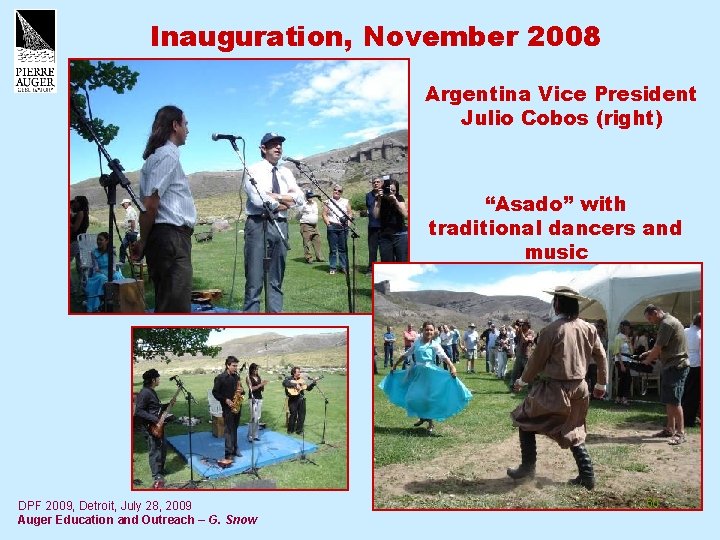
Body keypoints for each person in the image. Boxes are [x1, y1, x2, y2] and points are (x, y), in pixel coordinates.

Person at [508, 286, 608, 490]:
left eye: (554, 301)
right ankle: (587, 475)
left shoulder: (551, 330)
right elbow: (601, 355)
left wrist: (521, 381)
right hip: (581, 389)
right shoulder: (589, 328)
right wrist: (601, 383)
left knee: (524, 419)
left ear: (558, 304)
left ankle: (527, 468)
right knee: (573, 428)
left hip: (555, 389)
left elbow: (535, 361)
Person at [135, 105, 196, 313]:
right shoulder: (168, 155)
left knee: (167, 302)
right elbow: (150, 204)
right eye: (185, 124)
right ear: (175, 125)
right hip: (171, 238)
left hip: (165, 239)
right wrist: (142, 241)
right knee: (175, 307)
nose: (188, 129)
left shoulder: (154, 158)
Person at [242, 133, 303, 312]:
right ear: (263, 148)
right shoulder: (253, 170)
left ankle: (274, 319)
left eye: (280, 144)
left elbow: (300, 199)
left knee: (276, 280)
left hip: (281, 225)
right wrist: (285, 202)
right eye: (273, 144)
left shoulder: (286, 172)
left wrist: (276, 197)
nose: (278, 147)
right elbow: (258, 200)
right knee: (254, 281)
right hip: (258, 225)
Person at [379, 321, 471, 434]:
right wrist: (395, 365)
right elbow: (406, 354)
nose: (429, 332)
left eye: (431, 330)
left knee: (428, 398)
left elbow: (443, 356)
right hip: (417, 373)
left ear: (433, 332)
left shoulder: (434, 344)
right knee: (412, 397)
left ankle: (430, 423)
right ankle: (423, 417)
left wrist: (452, 367)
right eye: (427, 329)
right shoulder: (417, 343)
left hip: (429, 374)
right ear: (423, 330)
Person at [639, 304, 690, 444]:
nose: (650, 321)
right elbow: (664, 346)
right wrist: (648, 353)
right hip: (671, 365)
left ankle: (681, 433)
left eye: (650, 318)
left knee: (675, 400)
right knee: (669, 400)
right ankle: (670, 429)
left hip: (676, 366)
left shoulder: (666, 324)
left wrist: (647, 361)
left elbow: (658, 347)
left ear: (656, 312)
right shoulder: (668, 322)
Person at [134, 369, 169, 489]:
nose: (159, 380)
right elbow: (138, 411)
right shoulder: (145, 393)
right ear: (153, 380)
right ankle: (156, 474)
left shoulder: (151, 391)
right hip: (150, 427)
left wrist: (165, 407)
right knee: (154, 450)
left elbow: (154, 407)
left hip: (158, 425)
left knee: (162, 447)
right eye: (158, 378)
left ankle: (161, 470)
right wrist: (154, 419)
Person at [212, 356, 244, 462]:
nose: (236, 368)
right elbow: (215, 392)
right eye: (234, 366)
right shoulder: (220, 378)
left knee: (234, 429)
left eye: (236, 366)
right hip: (227, 408)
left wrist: (241, 390)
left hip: (237, 406)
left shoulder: (236, 377)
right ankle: (228, 453)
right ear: (227, 365)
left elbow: (241, 391)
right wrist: (225, 400)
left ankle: (235, 449)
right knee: (228, 431)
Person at [371, 179, 408, 262]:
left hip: (400, 234)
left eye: (394, 190)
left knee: (402, 261)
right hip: (385, 235)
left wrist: (395, 200)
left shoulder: (399, 197)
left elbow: (405, 214)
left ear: (397, 190)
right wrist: (379, 199)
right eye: (389, 190)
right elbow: (375, 215)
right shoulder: (379, 198)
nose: (391, 192)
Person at [323, 183, 353, 275]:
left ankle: (343, 267)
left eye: (339, 191)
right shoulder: (328, 202)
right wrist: (328, 224)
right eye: (335, 190)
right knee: (333, 249)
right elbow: (324, 214)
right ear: (333, 191)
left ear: (341, 192)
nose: (337, 192)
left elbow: (350, 213)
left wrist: (348, 223)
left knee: (343, 248)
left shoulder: (345, 201)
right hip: (332, 226)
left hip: (343, 227)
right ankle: (333, 267)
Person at [283, 367, 317, 434]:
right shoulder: (289, 378)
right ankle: (290, 430)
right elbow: (284, 383)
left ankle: (299, 430)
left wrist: (313, 384)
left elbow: (308, 388)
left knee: (302, 415)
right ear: (294, 373)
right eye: (298, 372)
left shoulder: (301, 380)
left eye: (299, 372)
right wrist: (295, 384)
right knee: (293, 415)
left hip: (301, 399)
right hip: (292, 400)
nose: (299, 373)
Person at [682, 312, 701, 428]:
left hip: (685, 363)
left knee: (685, 392)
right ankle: (689, 419)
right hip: (696, 365)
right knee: (694, 395)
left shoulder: (685, 331)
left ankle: (683, 417)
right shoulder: (700, 334)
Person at [84, 232, 111, 312]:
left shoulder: (111, 251)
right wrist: (105, 274)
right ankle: (97, 305)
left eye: (101, 240)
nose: (98, 241)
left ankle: (116, 302)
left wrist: (110, 273)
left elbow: (113, 267)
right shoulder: (94, 252)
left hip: (110, 271)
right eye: (97, 240)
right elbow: (96, 268)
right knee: (102, 278)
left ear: (107, 241)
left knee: (116, 276)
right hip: (98, 273)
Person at [296, 190, 325, 264]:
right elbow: (298, 216)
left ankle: (320, 257)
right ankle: (309, 258)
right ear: (306, 196)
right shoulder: (303, 204)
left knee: (317, 241)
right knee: (307, 242)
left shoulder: (315, 203)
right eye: (308, 196)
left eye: (311, 195)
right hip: (305, 225)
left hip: (315, 225)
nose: (310, 197)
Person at [609, 320, 633, 406]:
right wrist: (622, 364)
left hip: (627, 360)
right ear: (623, 327)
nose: (628, 329)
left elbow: (631, 351)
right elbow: (617, 351)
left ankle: (619, 398)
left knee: (623, 380)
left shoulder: (627, 337)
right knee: (627, 379)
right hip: (621, 361)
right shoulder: (618, 337)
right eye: (627, 327)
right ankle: (624, 398)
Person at [69, 195, 89, 285]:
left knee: (81, 266)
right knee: (81, 266)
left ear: (80, 203)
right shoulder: (84, 212)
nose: (74, 202)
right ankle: (84, 287)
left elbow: (75, 228)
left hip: (76, 241)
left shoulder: (81, 212)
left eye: (76, 201)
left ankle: (72, 288)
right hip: (81, 241)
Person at [365, 176, 383, 274]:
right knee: (372, 249)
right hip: (373, 226)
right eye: (374, 182)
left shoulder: (386, 194)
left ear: (382, 183)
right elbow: (370, 206)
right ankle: (371, 269)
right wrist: (377, 197)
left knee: (384, 249)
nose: (376, 183)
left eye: (378, 182)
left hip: (384, 227)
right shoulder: (369, 195)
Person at [245, 363, 267, 443]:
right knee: (253, 417)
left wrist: (263, 385)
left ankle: (255, 435)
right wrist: (260, 384)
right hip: (252, 398)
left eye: (257, 369)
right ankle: (250, 436)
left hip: (259, 398)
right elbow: (251, 388)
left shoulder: (258, 377)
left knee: (258, 418)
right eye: (255, 369)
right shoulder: (248, 378)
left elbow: (261, 389)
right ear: (251, 369)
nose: (256, 371)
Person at [510, 319, 535, 389]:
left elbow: (525, 340)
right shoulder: (521, 331)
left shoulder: (531, 332)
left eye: (524, 324)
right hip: (519, 355)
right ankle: (512, 384)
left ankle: (531, 387)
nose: (522, 326)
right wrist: (516, 323)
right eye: (522, 324)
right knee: (515, 371)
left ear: (528, 325)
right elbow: (513, 326)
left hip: (526, 356)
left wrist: (520, 331)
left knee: (528, 372)